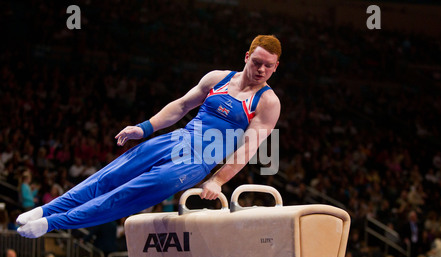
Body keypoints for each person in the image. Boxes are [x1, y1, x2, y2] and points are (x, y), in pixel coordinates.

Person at [16, 34, 282, 238]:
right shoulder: (218, 78)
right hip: (175, 140)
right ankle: (44, 210)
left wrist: (217, 180)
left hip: (194, 162)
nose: (261, 70)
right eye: (257, 62)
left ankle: (52, 224)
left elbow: (248, 149)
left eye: (268, 66)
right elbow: (181, 106)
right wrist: (143, 128)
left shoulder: (268, 103)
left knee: (125, 195)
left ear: (275, 67)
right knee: (109, 176)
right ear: (246, 56)